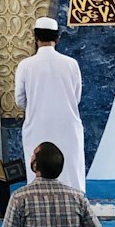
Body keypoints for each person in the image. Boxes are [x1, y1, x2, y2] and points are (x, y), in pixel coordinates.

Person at [15, 16, 85, 193]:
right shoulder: (71, 64)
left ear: (35, 38)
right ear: (58, 38)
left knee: (38, 169)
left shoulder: (25, 65)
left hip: (37, 126)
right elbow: (76, 98)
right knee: (71, 170)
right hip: (68, 126)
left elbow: (20, 100)